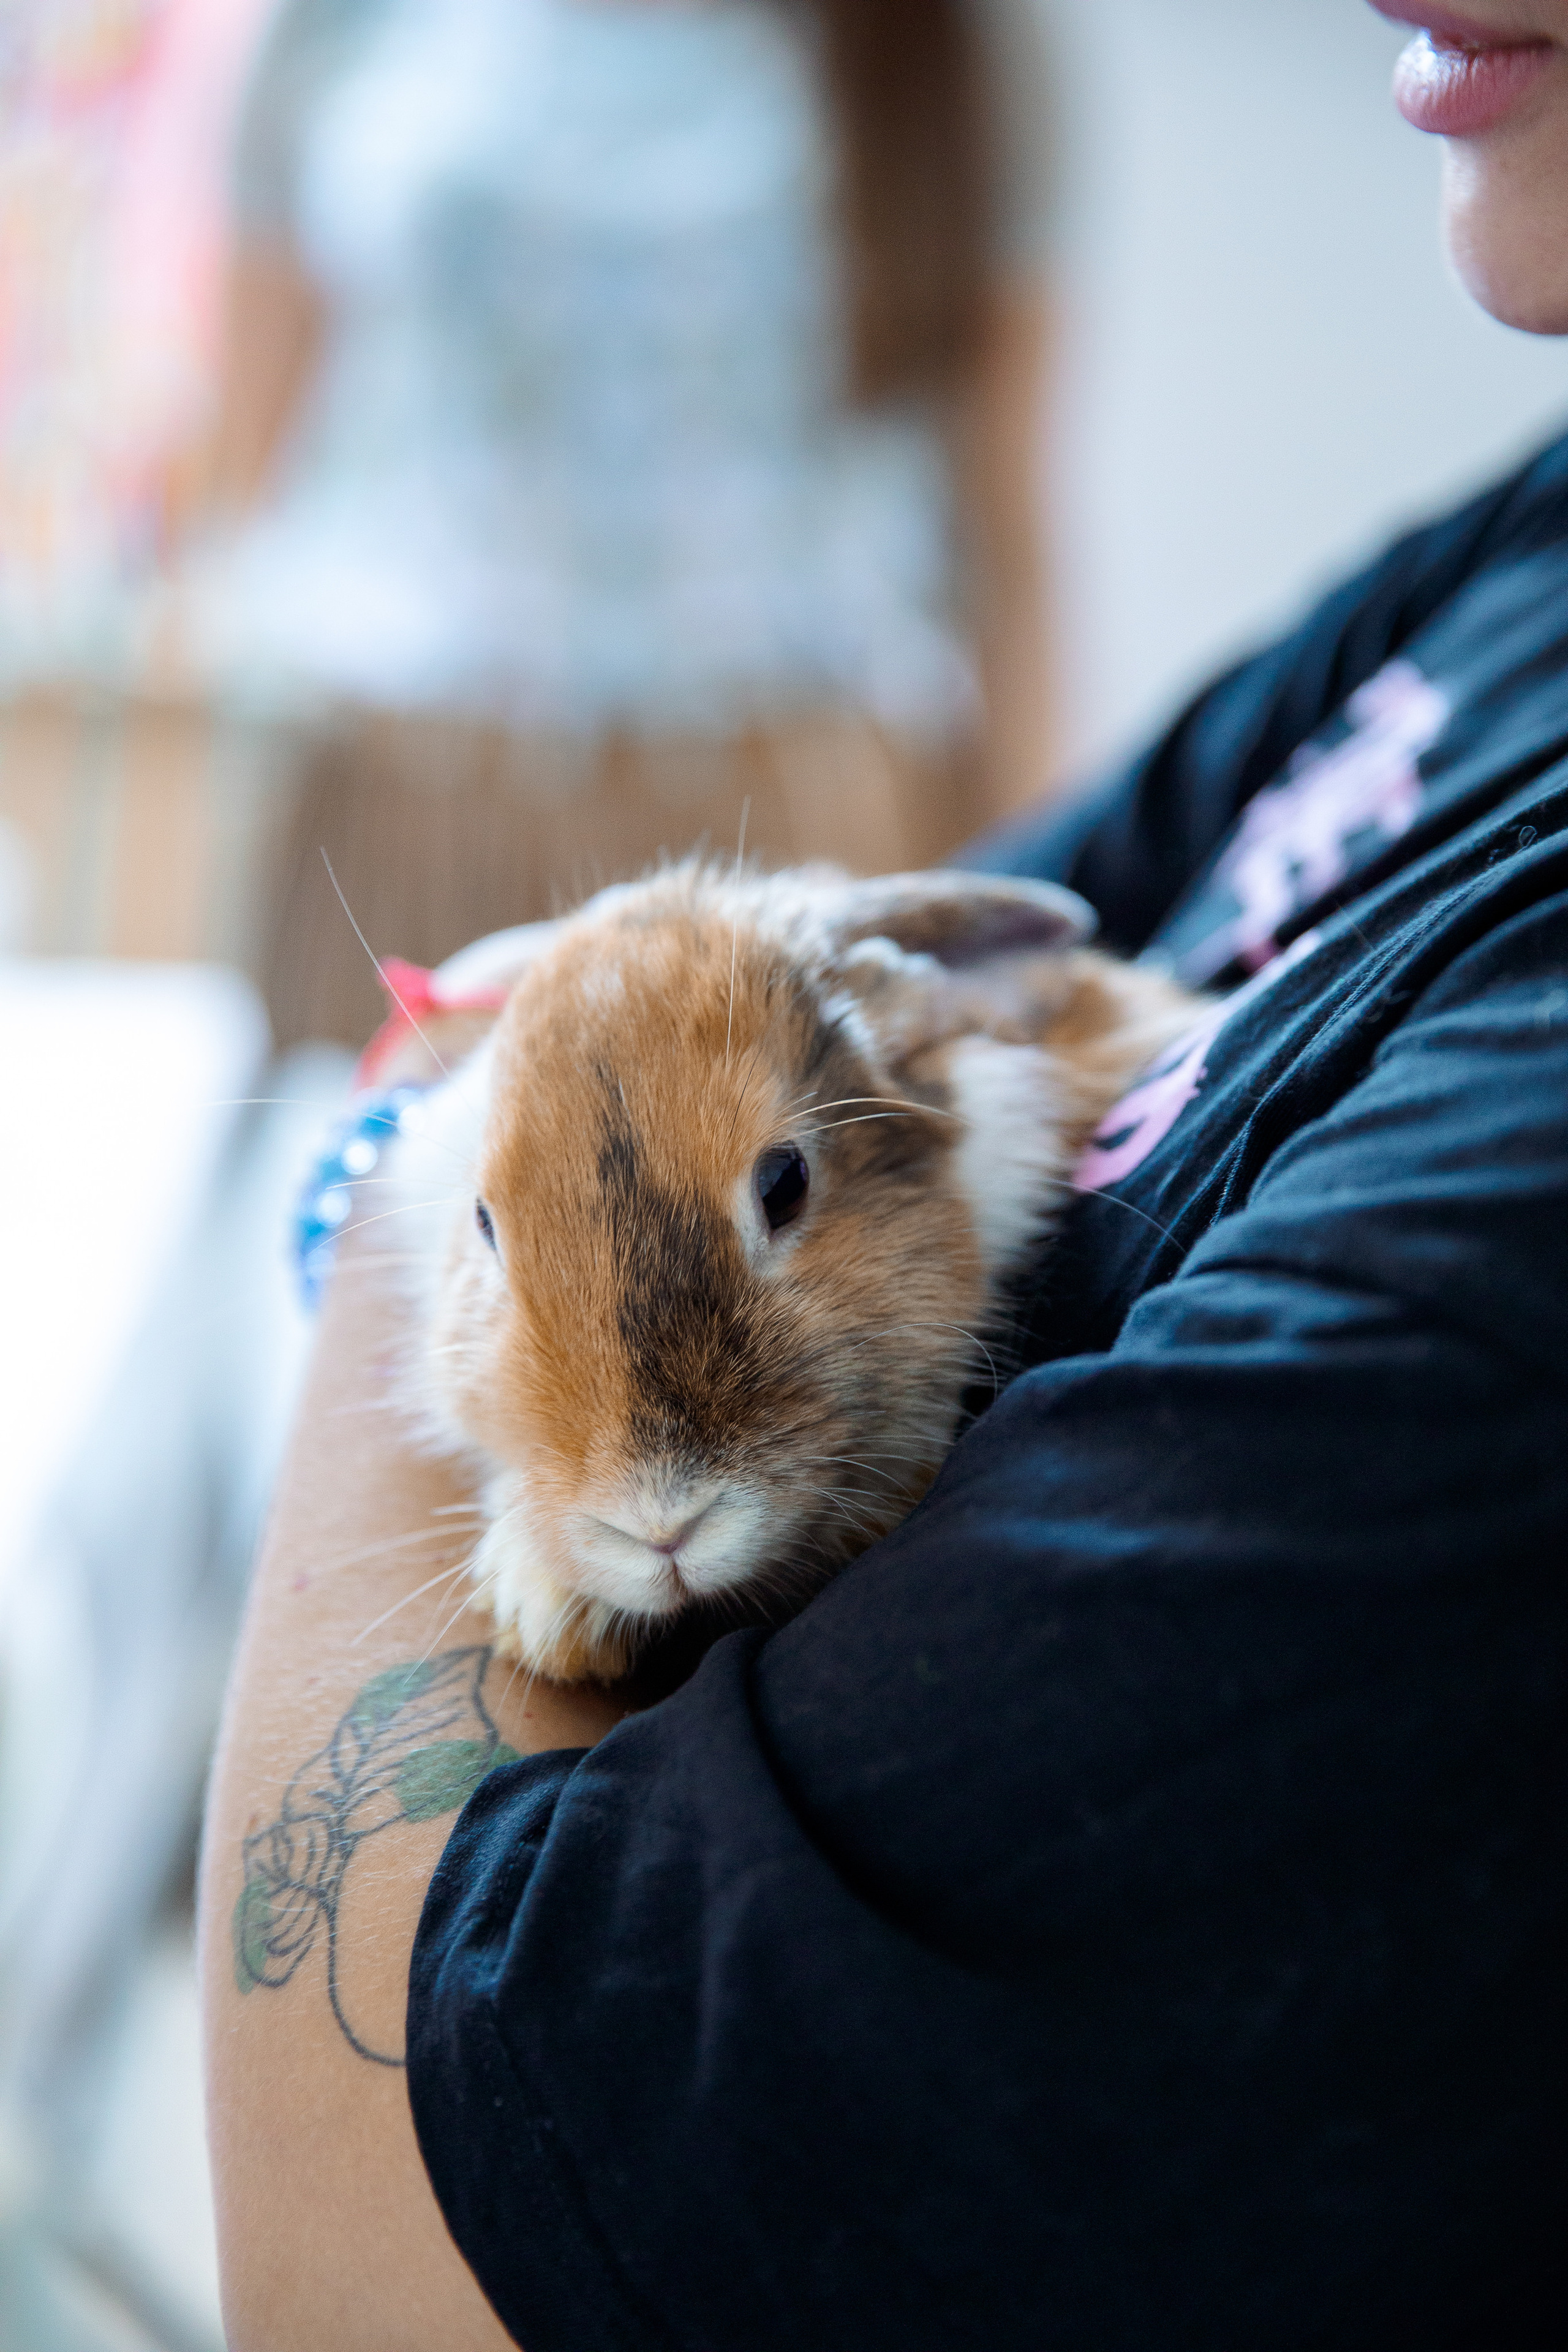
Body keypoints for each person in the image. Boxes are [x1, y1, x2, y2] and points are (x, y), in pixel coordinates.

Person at [198, 4, 1568, 2345]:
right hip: (424, 762)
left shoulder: (1494, 1235)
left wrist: (422, 1168)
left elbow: (349, 2262)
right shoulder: (1515, 552)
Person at [179, 0, 1061, 1046]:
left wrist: (1040, 930)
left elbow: (1004, 536)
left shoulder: (942, 38)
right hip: (414, 825)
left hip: (799, 835)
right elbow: (240, 471)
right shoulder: (344, 27)